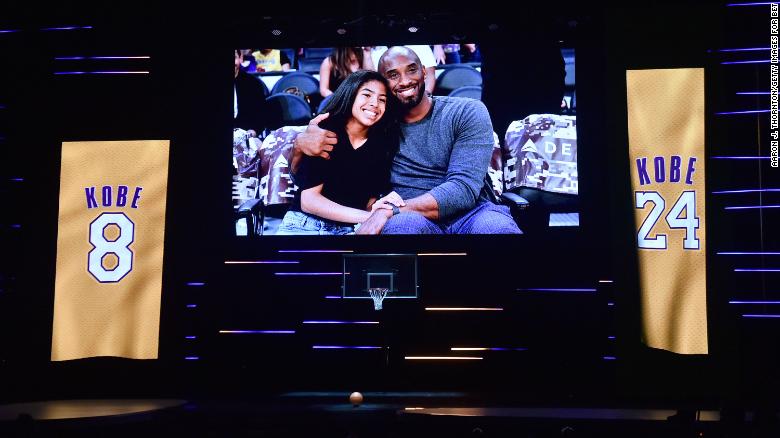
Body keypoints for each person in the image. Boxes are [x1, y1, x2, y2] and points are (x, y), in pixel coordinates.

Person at [293, 46, 521, 235]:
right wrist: (299, 146)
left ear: (424, 72)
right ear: (383, 84)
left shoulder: (466, 111)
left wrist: (388, 212)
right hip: (409, 217)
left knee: (497, 229)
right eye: (392, 75)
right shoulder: (376, 122)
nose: (404, 81)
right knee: (402, 231)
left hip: (472, 213)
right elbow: (326, 172)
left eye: (411, 70)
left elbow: (462, 189)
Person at [276, 70, 399, 235]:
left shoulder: (383, 143)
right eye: (367, 95)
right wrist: (372, 216)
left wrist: (380, 208)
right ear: (351, 94)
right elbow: (309, 201)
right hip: (304, 224)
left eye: (382, 99)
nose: (375, 104)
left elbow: (369, 201)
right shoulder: (326, 131)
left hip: (350, 228)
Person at [234, 49, 268, 137]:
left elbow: (261, 115)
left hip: (246, 136)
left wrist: (252, 132)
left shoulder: (253, 83)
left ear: (240, 58)